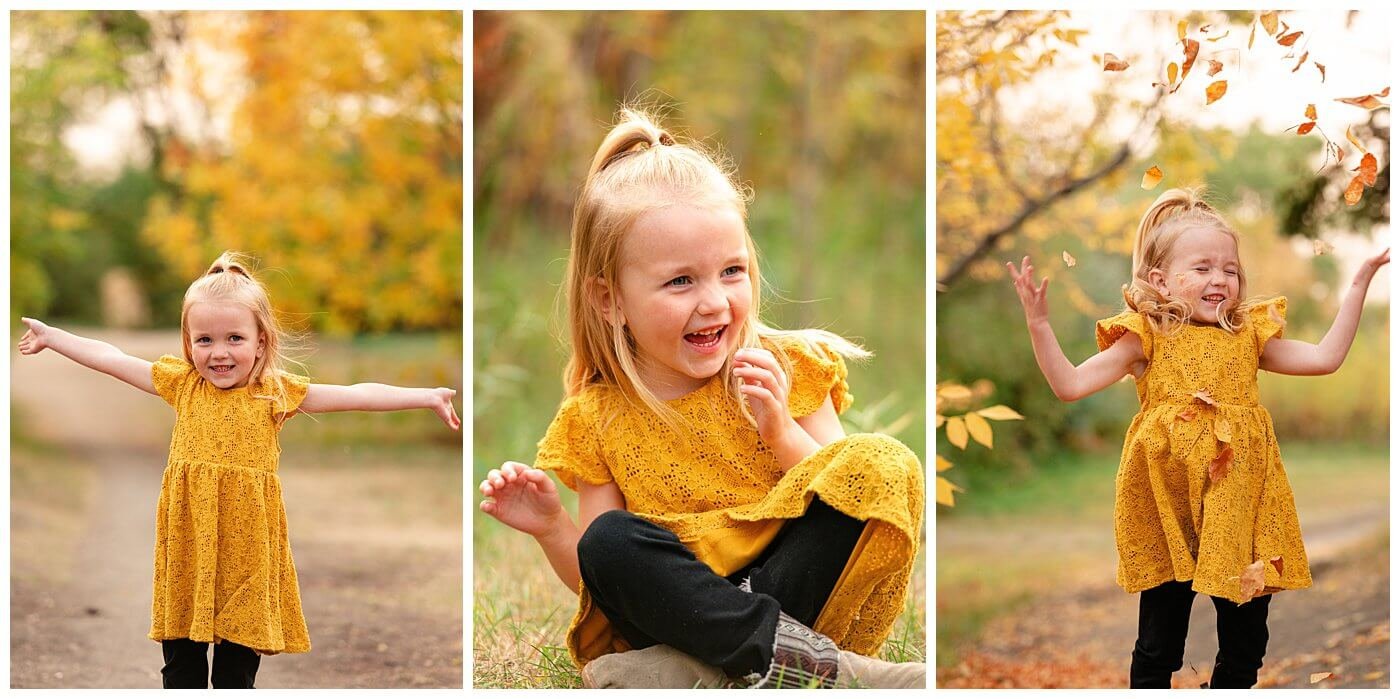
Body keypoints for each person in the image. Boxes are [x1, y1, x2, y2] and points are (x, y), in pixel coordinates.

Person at [477, 107, 925, 689]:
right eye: (681, 281)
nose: (714, 301)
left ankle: (702, 667)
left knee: (881, 461)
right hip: (679, 611)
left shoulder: (786, 368)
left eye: (731, 271)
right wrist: (551, 528)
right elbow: (602, 580)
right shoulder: (597, 417)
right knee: (609, 541)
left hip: (795, 595)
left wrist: (780, 431)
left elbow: (848, 495)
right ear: (609, 299)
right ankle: (795, 667)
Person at [17, 252, 461, 689]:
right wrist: (55, 337)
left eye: (234, 338)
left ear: (261, 342)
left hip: (248, 553)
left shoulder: (275, 392)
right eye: (204, 340)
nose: (219, 353)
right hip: (189, 547)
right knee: (181, 671)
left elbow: (358, 393)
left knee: (235, 674)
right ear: (188, 343)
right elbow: (111, 356)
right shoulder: (183, 385)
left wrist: (425, 396)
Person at [1007, 187, 1389, 688]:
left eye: (1230, 269)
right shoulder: (1145, 335)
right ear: (1160, 280)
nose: (1220, 279)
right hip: (1170, 506)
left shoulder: (1248, 335)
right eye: (1203, 267)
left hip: (1240, 507)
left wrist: (1358, 284)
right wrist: (1039, 325)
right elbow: (1070, 384)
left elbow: (1324, 359)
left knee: (1247, 641)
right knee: (1159, 641)